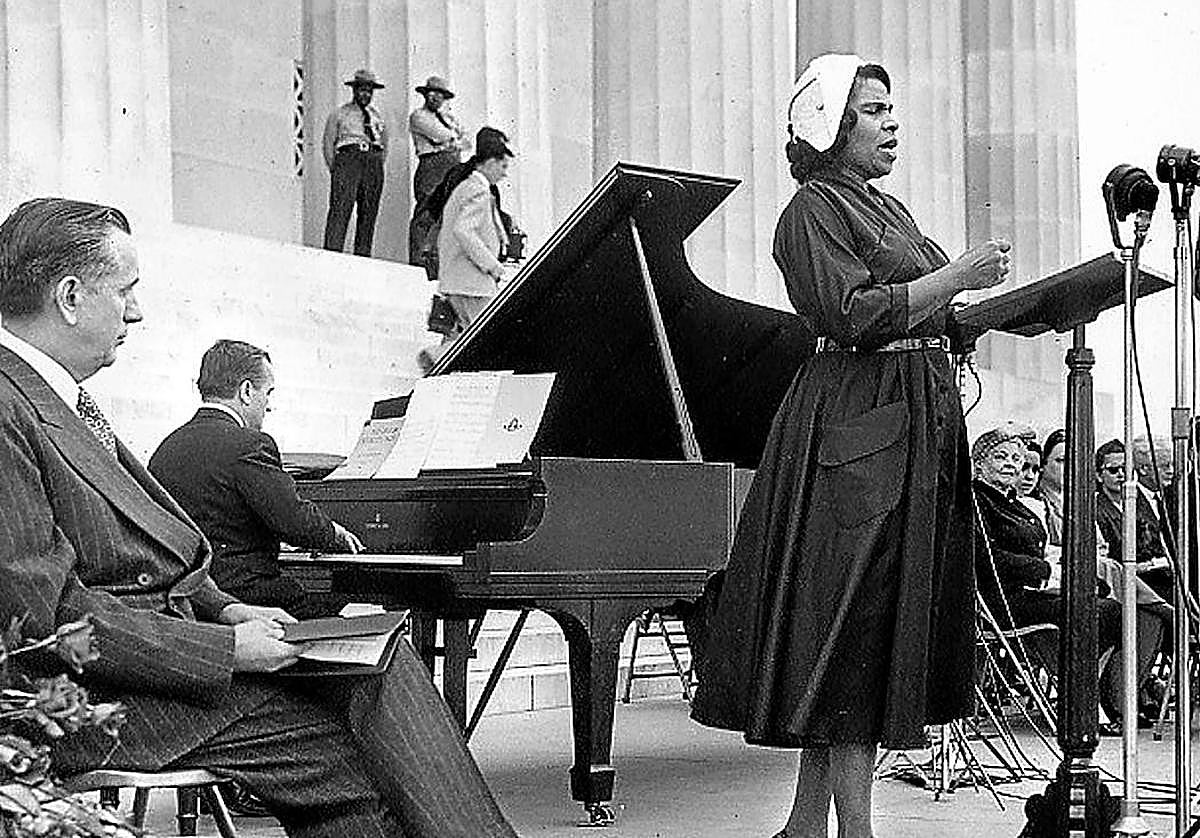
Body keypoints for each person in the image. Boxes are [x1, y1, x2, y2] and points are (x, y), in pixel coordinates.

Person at [0, 197, 518, 838]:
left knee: (381, 661)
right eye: (126, 290)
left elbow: (143, 554)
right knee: (342, 752)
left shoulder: (57, 399)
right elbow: (44, 617)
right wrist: (225, 650)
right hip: (89, 698)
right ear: (70, 297)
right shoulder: (9, 404)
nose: (136, 311)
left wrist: (228, 611)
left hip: (152, 658)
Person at [689, 54, 1011, 838]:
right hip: (858, 430)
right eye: (872, 109)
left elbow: (926, 310)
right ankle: (855, 833)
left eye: (890, 108)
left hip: (907, 421)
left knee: (851, 636)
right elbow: (854, 315)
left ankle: (805, 827)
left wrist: (1003, 306)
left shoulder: (885, 207)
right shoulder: (811, 210)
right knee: (853, 632)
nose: (891, 121)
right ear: (828, 126)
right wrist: (956, 278)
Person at [148, 340, 364, 619]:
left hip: (190, 600)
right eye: (268, 393)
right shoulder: (250, 444)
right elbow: (294, 523)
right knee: (360, 613)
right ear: (247, 391)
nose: (269, 406)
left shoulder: (166, 448)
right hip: (247, 597)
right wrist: (335, 533)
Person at [436, 128, 515, 333]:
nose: (504, 173)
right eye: (503, 166)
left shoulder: (465, 187)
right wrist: (493, 267)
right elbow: (463, 231)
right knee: (490, 338)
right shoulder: (478, 190)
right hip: (473, 284)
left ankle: (440, 352)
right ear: (490, 163)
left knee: (462, 340)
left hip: (458, 280)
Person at [1095, 438, 1173, 600]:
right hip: (1125, 587)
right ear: (1099, 475)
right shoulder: (1096, 509)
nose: (1121, 474)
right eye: (1113, 470)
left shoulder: (1142, 500)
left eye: (1125, 468)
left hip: (1158, 578)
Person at [323, 69, 389, 256]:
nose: (365, 94)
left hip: (372, 161)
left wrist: (376, 163)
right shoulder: (340, 113)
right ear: (354, 90)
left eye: (369, 91)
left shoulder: (376, 116)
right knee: (341, 208)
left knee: (369, 211)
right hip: (349, 158)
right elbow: (328, 143)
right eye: (362, 90)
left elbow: (385, 143)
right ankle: (332, 253)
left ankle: (363, 255)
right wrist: (337, 169)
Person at [408, 75, 464, 264]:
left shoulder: (448, 117)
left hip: (451, 167)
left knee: (447, 214)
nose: (436, 97)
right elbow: (440, 135)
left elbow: (466, 139)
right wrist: (452, 140)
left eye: (440, 94)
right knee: (426, 213)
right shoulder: (419, 116)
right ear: (425, 94)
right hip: (431, 166)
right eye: (432, 93)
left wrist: (452, 141)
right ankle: (418, 261)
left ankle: (438, 261)